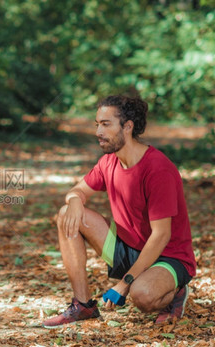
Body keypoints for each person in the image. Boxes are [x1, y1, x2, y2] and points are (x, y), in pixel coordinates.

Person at [42, 95, 196, 329]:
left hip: (168, 256)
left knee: (142, 296)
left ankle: (174, 291)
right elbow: (77, 191)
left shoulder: (158, 169)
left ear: (128, 127)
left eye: (105, 124)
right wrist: (74, 200)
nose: (98, 132)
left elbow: (161, 236)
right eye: (97, 124)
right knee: (66, 213)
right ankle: (83, 305)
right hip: (131, 248)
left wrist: (124, 284)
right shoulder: (108, 162)